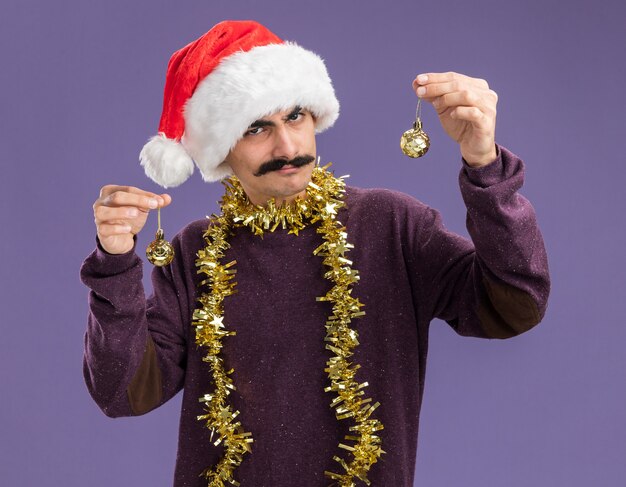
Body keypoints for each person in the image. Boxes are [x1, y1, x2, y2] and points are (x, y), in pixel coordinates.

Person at [80, 20, 549, 487]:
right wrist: (116, 262)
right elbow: (123, 392)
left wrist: (484, 165)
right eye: (257, 127)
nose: (287, 146)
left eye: (296, 116)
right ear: (221, 148)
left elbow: (513, 305)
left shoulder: (391, 225)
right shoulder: (193, 252)